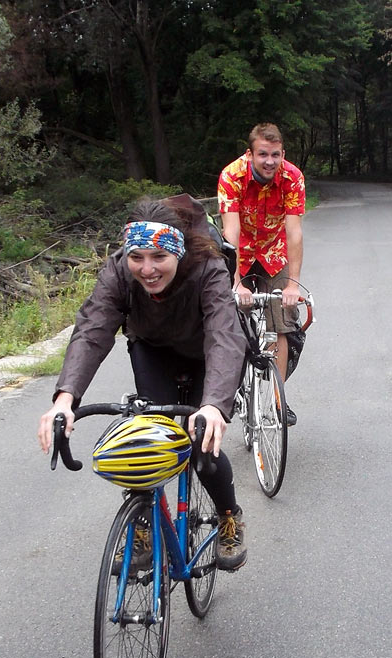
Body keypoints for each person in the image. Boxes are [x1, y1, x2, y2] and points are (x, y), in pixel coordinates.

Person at [37, 194, 249, 570]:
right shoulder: (119, 270)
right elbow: (93, 328)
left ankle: (228, 515)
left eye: (159, 258)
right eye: (137, 257)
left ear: (178, 253)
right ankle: (144, 524)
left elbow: (223, 334)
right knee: (147, 436)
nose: (147, 269)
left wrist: (214, 404)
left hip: (205, 354)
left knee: (203, 444)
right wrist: (65, 398)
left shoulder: (208, 268)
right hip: (153, 349)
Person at [218, 123, 305, 426]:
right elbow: (231, 231)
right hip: (239, 251)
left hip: (272, 251)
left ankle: (277, 399)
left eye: (276, 155)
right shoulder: (232, 176)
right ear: (251, 153)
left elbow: (294, 232)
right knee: (226, 320)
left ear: (283, 154)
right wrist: (238, 281)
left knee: (283, 322)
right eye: (263, 154)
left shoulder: (292, 178)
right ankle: (228, 389)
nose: (270, 161)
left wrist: (292, 284)